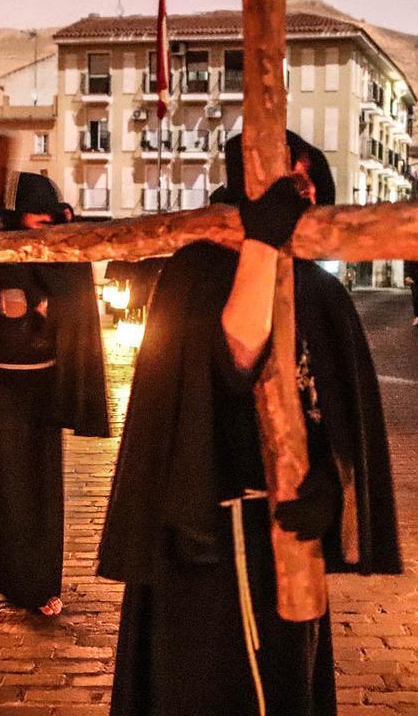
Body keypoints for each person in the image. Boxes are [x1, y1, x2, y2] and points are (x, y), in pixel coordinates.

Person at [100, 132, 400, 716]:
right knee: (203, 689)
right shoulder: (194, 274)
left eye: (310, 178)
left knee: (286, 685)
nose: (304, 190)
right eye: (290, 177)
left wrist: (333, 486)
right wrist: (262, 241)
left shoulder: (322, 289)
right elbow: (236, 357)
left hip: (288, 538)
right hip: (200, 540)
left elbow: (340, 417)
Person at [0, 172, 108, 616]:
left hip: (42, 389)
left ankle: (36, 586)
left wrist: (46, 308)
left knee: (38, 490)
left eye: (49, 215)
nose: (44, 221)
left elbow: (75, 308)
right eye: (35, 213)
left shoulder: (63, 252)